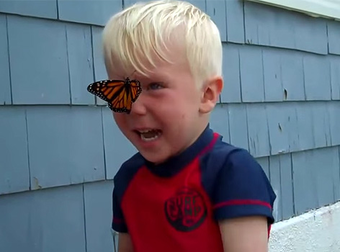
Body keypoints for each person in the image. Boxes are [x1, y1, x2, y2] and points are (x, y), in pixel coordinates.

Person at [100, 0, 276, 251]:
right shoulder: (128, 179)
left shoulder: (233, 172)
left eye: (154, 86)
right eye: (120, 90)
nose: (134, 107)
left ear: (206, 95)